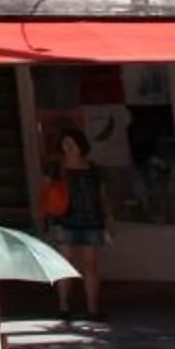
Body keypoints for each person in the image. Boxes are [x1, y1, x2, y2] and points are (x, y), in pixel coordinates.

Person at [44, 126, 106, 322]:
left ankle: (92, 308)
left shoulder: (94, 169)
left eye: (72, 143)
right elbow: (46, 194)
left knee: (91, 265)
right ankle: (64, 306)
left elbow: (102, 195)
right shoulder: (56, 169)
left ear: (81, 146)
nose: (68, 147)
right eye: (65, 144)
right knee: (65, 264)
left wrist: (108, 216)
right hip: (64, 220)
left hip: (92, 220)